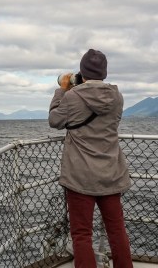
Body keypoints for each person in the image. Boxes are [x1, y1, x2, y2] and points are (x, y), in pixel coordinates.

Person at [48, 49, 133, 268]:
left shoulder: (72, 96)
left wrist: (62, 90)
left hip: (80, 176)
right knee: (116, 230)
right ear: (104, 72)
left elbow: (55, 120)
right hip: (111, 172)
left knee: (82, 234)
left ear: (82, 71)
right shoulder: (117, 97)